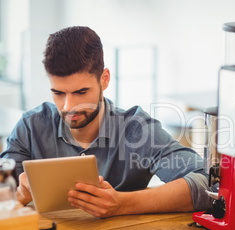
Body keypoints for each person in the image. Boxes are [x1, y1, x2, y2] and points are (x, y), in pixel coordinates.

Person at [0, 26, 213, 218]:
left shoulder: (137, 130)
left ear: (104, 79)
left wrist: (123, 204)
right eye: (58, 93)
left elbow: (209, 184)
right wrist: (17, 195)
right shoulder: (30, 126)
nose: (68, 106)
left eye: (81, 92)